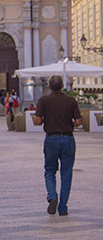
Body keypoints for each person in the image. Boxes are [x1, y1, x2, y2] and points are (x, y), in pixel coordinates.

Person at [32, 75, 82, 216]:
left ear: (49, 86)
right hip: (68, 139)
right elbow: (78, 122)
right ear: (62, 86)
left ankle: (52, 196)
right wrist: (68, 123)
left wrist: (45, 119)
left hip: (51, 139)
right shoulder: (71, 101)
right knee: (66, 174)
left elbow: (37, 121)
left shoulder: (44, 100)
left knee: (49, 171)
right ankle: (63, 207)